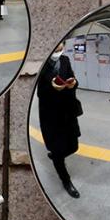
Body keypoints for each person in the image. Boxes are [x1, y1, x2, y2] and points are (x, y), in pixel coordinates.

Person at [37, 41, 82, 199]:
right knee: (57, 150)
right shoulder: (42, 66)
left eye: (61, 48)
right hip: (51, 115)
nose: (59, 51)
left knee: (73, 146)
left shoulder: (65, 60)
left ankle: (56, 156)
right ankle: (66, 181)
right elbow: (39, 93)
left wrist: (73, 84)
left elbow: (73, 79)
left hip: (67, 112)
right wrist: (52, 88)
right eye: (56, 49)